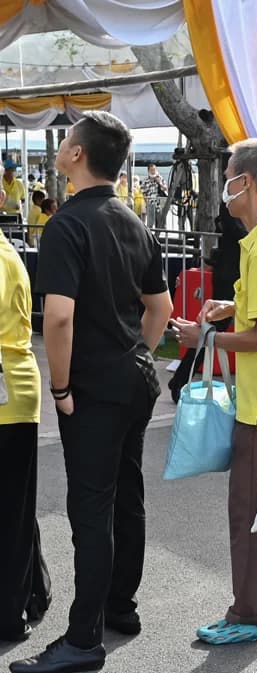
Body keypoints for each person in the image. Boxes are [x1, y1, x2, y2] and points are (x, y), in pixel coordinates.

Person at [12, 111, 171, 673]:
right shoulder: (134, 220)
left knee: (91, 506)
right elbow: (161, 308)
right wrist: (139, 353)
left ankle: (83, 639)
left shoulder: (66, 225)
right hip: (134, 379)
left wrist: (61, 386)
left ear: (77, 154)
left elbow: (57, 319)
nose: (62, 146)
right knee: (126, 495)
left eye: (67, 139)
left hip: (93, 386)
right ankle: (118, 606)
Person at [172, 138, 257, 646]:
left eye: (229, 176)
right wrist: (233, 307)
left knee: (250, 510)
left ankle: (249, 613)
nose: (225, 187)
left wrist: (203, 337)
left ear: (245, 182)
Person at [0, 233, 47, 645]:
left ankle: (10, 613)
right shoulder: (7, 251)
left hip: (8, 399)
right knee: (15, 510)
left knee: (12, 513)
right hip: (16, 396)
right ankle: (26, 596)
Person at [167, 204, 246, 402]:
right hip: (229, 273)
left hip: (234, 270)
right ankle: (181, 378)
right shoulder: (233, 204)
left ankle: (181, 377)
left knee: (214, 329)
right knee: (211, 329)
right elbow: (235, 231)